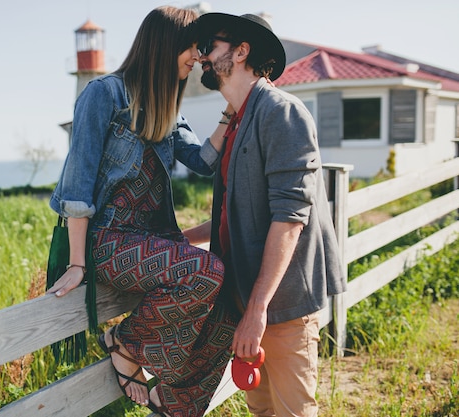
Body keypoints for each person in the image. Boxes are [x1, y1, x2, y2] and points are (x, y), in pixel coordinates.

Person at [47, 6, 237, 417]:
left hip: (150, 241)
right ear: (164, 43)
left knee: (231, 301)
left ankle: (174, 402)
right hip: (109, 241)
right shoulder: (104, 94)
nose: (199, 57)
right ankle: (125, 343)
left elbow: (202, 160)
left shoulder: (168, 105)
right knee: (208, 270)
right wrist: (78, 263)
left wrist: (230, 111)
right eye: (192, 46)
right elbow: (77, 187)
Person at [183, 13, 347, 417]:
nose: (202, 56)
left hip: (281, 305)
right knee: (262, 411)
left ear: (241, 52)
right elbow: (235, 214)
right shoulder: (240, 120)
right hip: (248, 303)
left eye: (210, 46)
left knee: (292, 412)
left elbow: (290, 218)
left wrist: (257, 310)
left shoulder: (281, 112)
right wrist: (182, 238)